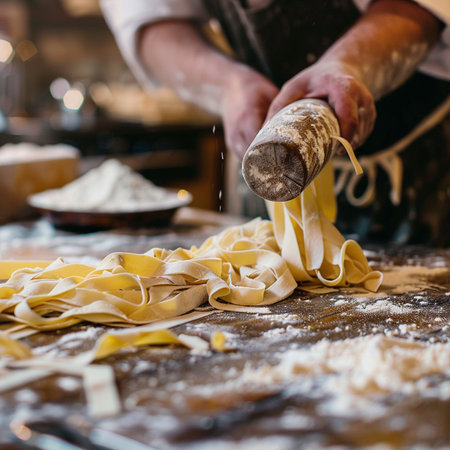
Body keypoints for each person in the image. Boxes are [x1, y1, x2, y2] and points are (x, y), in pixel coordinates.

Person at [101, 0, 450, 245]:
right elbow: (149, 19)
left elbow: (429, 5)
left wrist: (351, 63)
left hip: (422, 161)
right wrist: (228, 85)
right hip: (266, 152)